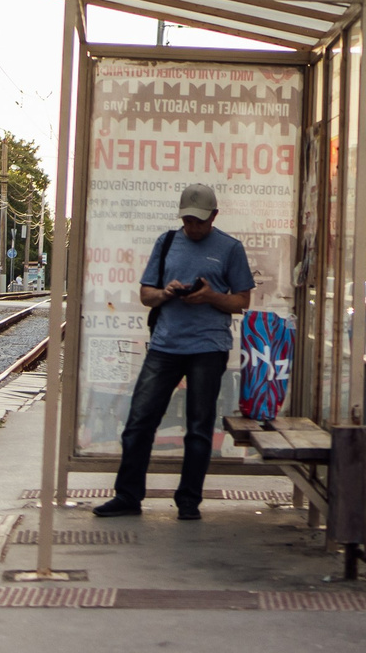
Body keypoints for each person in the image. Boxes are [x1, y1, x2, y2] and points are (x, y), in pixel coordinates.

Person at [95, 184, 254, 522]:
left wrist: (210, 296)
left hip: (209, 348)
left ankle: (188, 501)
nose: (193, 227)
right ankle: (127, 496)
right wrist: (166, 293)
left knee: (198, 427)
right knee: (139, 422)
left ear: (214, 216)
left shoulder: (230, 248)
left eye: (199, 221)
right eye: (187, 221)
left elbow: (242, 301)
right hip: (165, 345)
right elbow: (146, 295)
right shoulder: (166, 242)